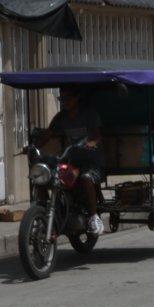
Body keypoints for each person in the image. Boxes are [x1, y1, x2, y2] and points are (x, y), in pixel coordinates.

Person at [37, 87, 105, 235]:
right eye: (62, 100)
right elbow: (48, 134)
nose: (65, 103)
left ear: (76, 99)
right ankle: (44, 212)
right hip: (72, 161)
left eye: (68, 99)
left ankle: (94, 217)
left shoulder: (88, 114)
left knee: (86, 178)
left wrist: (92, 143)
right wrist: (33, 146)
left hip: (91, 162)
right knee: (47, 179)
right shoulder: (61, 117)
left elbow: (97, 135)